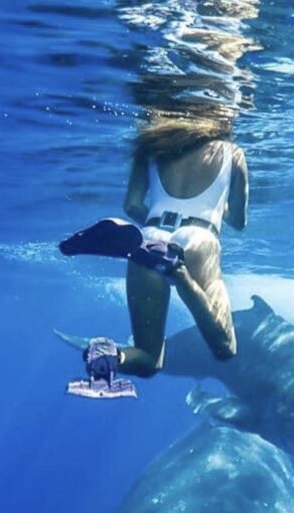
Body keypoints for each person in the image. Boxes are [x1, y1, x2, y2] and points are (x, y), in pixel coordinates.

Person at [117, 118, 248, 379]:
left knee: (148, 361)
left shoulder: (150, 144)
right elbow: (238, 222)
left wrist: (157, 237)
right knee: (225, 348)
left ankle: (110, 356)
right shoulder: (232, 153)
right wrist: (220, 207)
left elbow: (132, 205)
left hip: (149, 237)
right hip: (199, 236)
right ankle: (178, 271)